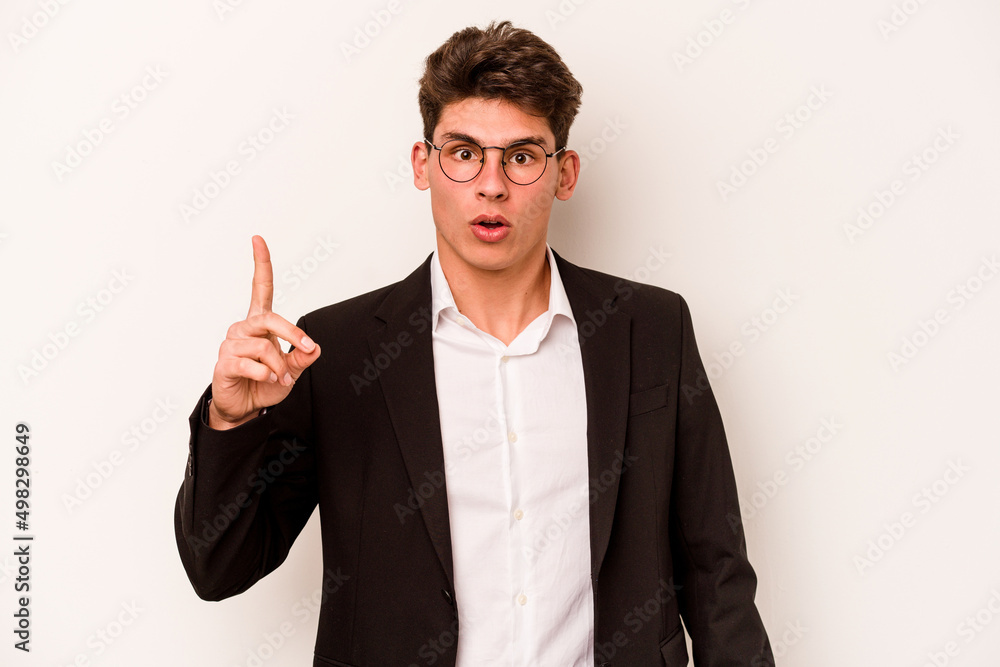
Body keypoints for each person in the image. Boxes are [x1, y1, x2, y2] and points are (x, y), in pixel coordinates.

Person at [174, 20, 774, 667]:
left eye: (521, 156)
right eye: (464, 153)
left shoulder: (652, 331)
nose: (492, 184)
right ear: (422, 164)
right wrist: (232, 418)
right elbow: (220, 565)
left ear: (564, 173)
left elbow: (718, 578)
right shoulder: (336, 353)